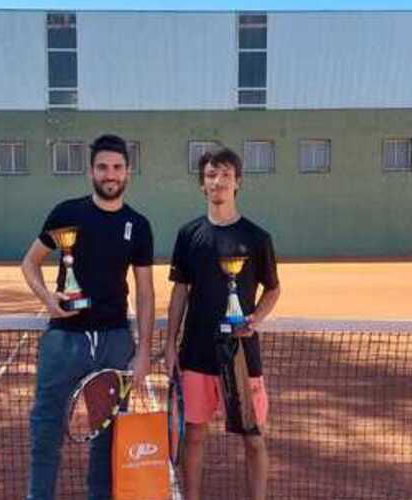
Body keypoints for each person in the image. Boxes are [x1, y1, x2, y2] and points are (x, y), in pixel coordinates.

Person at [21, 134, 155, 500]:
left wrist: (143, 351)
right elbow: (29, 263)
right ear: (91, 172)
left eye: (117, 167)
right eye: (102, 167)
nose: (110, 175)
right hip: (64, 341)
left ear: (128, 172)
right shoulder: (67, 213)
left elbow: (145, 292)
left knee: (107, 437)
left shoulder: (138, 225)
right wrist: (49, 299)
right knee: (46, 432)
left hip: (115, 342)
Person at [165, 147, 281, 500]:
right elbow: (180, 292)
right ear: (203, 185)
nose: (218, 181)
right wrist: (170, 344)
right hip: (196, 352)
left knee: (254, 437)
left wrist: (255, 319)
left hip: (242, 354)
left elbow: (273, 289)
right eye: (211, 175)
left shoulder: (257, 238)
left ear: (237, 182)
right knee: (195, 434)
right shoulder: (189, 235)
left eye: (225, 175)